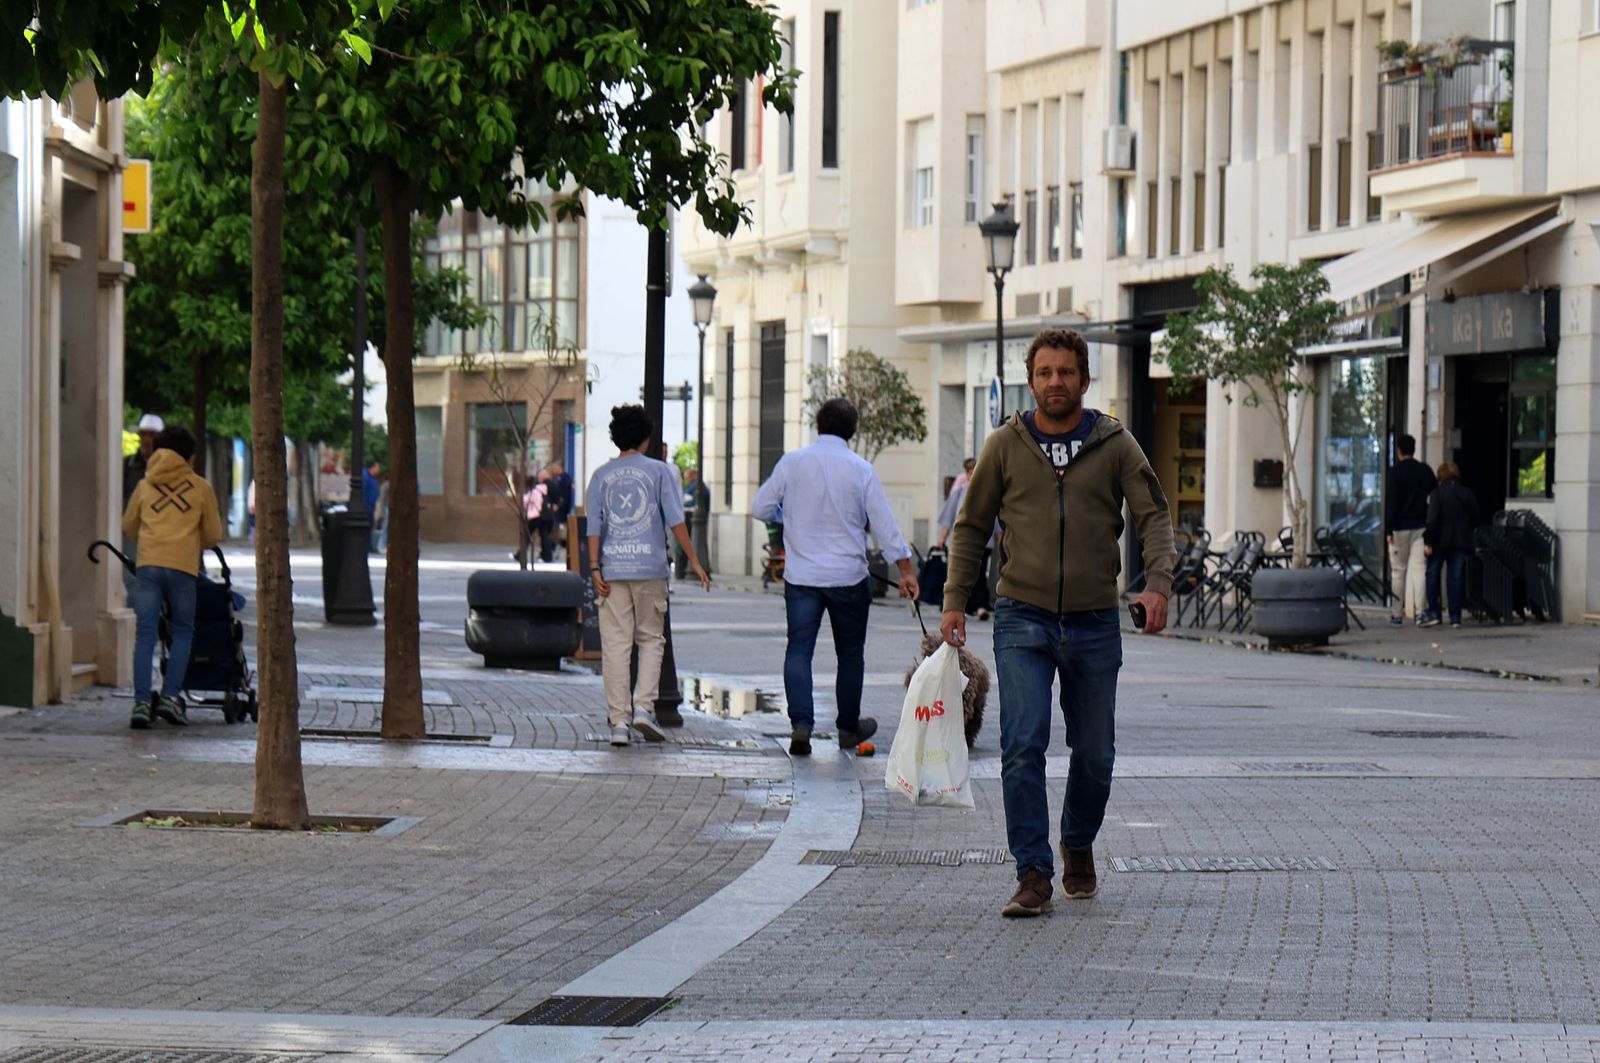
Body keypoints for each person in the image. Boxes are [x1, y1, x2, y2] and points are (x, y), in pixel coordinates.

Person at [940, 328, 1174, 918]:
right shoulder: (1004, 445)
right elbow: (970, 527)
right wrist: (955, 600)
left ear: (1085, 380)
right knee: (1023, 743)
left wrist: (1158, 585)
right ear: (1031, 380)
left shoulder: (1116, 443)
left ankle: (1076, 841)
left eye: (1066, 373)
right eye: (1044, 373)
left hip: (1095, 618)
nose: (1055, 383)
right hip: (1022, 615)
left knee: (1095, 752)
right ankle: (1032, 873)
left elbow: (1154, 516)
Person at [752, 397, 919, 756]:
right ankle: (847, 727)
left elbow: (760, 507)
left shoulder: (792, 462)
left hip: (803, 578)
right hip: (848, 577)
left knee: (799, 649)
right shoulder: (861, 469)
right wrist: (905, 571)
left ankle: (801, 725)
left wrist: (790, 516)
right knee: (851, 653)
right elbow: (885, 525)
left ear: (818, 426)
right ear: (852, 431)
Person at [587, 405, 709, 745]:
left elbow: (593, 526)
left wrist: (594, 566)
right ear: (645, 438)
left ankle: (619, 724)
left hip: (611, 570)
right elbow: (675, 520)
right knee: (651, 640)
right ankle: (643, 709)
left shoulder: (600, 476)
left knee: (615, 646)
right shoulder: (659, 472)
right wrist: (695, 562)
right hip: (650, 568)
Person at [121, 425, 223, 730]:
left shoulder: (145, 485)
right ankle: (169, 697)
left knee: (146, 633)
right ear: (188, 456)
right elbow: (213, 535)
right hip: (182, 567)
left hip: (149, 564)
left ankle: (141, 703)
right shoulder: (200, 487)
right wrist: (190, 540)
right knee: (182, 631)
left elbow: (129, 525)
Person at [1385, 433, 1436, 625]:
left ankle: (1396, 614)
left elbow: (1392, 503)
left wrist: (1389, 530)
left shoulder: (1395, 473)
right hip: (1421, 527)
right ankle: (1421, 612)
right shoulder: (1425, 471)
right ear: (1414, 450)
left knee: (1398, 571)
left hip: (1399, 528)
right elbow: (1433, 497)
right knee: (1419, 570)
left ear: (1398, 451)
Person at [1421, 461, 1480, 628]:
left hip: (1439, 541)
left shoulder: (1436, 494)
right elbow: (1476, 517)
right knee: (1456, 578)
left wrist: (1428, 542)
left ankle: (1435, 612)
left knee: (1433, 575)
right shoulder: (1466, 493)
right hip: (1460, 540)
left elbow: (1431, 520)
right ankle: (1455, 616)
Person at [120, 413, 164, 591]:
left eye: (152, 435)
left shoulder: (169, 466)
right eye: (143, 434)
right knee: (133, 578)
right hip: (134, 534)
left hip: (161, 532)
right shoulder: (127, 465)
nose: (147, 440)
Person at [676, 466, 710, 579]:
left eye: (688, 477)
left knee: (685, 543)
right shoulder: (695, 486)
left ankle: (685, 569)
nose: (687, 479)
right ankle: (684, 569)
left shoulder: (697, 487)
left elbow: (692, 502)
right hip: (691, 517)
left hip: (691, 519)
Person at [545, 461, 575, 560]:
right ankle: (554, 546)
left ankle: (560, 545)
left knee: (559, 528)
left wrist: (560, 505)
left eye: (554, 469)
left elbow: (567, 495)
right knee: (554, 528)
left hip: (562, 509)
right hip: (556, 508)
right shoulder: (556, 479)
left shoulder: (565, 479)